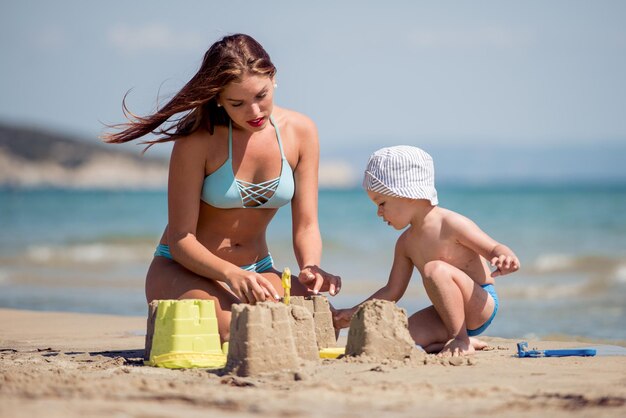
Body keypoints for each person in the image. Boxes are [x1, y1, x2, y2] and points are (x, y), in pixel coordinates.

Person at [103, 33, 341, 342]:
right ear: (218, 98)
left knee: (320, 324)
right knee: (243, 332)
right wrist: (231, 275)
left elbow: (307, 225)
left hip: (257, 270)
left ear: (273, 77)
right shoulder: (198, 140)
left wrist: (311, 267)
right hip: (183, 270)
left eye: (261, 95)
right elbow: (181, 240)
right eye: (237, 103)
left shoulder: (301, 132)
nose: (254, 112)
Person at [332, 146, 519, 356]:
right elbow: (391, 291)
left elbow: (493, 247)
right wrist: (352, 313)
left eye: (382, 203)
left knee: (435, 269)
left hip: (479, 305)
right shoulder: (405, 243)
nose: (379, 212)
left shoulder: (451, 223)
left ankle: (461, 341)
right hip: (444, 314)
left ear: (409, 193)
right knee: (399, 340)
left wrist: (505, 257)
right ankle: (452, 341)